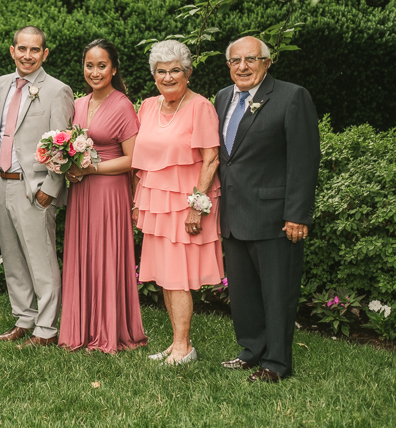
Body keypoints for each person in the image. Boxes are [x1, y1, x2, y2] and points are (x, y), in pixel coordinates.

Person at [216, 36, 320, 382]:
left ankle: (276, 363)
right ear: (228, 65)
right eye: (235, 61)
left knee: (277, 292)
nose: (242, 67)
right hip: (232, 214)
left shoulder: (292, 97)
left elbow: (304, 160)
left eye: (251, 59)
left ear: (267, 63)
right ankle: (250, 350)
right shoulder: (221, 98)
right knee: (243, 291)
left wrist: (297, 214)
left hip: (275, 217)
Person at [132, 40, 223, 365]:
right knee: (165, 275)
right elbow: (142, 162)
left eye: (174, 71)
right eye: (161, 71)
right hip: (156, 202)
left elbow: (211, 160)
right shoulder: (147, 106)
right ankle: (176, 344)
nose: (167, 77)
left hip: (187, 205)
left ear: (187, 73)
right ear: (153, 75)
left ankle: (184, 347)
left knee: (178, 276)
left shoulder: (200, 107)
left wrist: (197, 207)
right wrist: (137, 203)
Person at [58, 39, 147, 353]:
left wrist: (91, 169)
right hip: (81, 192)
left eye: (101, 65)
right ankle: (80, 328)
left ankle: (107, 330)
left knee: (105, 255)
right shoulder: (78, 104)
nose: (94, 72)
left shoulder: (122, 104)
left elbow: (132, 159)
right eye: (89, 65)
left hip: (109, 192)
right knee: (83, 254)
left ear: (114, 68)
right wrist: (67, 164)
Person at [0, 26, 75, 348]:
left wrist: (50, 189)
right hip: (2, 183)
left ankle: (46, 328)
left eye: (35, 50)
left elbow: (62, 143)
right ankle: (24, 318)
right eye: (22, 49)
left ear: (45, 54)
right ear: (12, 50)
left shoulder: (57, 90)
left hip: (35, 187)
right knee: (12, 258)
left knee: (40, 261)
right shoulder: (0, 85)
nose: (28, 55)